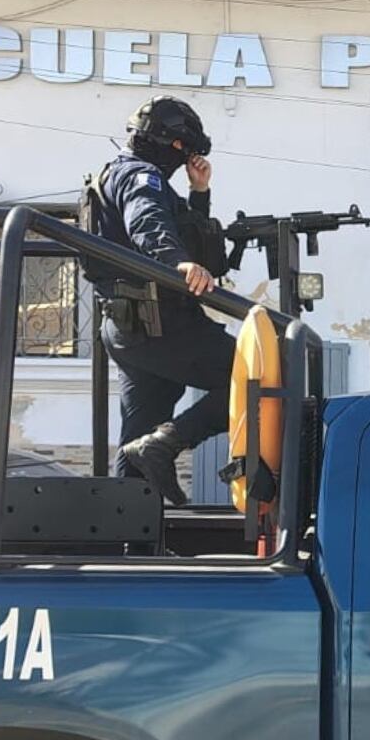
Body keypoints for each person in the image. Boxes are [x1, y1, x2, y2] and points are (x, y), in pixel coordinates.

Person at [85, 95, 233, 507]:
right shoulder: (140, 177)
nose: (182, 158)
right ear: (164, 142)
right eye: (181, 150)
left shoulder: (117, 174)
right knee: (267, 374)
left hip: (128, 324)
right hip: (159, 320)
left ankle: (128, 547)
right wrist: (179, 264)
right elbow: (147, 222)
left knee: (137, 437)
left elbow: (183, 228)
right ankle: (168, 444)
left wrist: (198, 192)